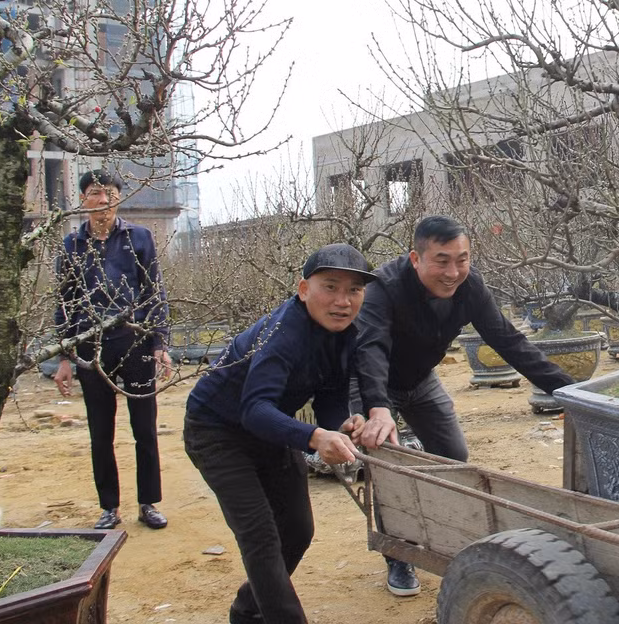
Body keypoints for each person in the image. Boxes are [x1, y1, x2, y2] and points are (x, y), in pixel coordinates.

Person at [350, 214, 575, 597]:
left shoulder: (470, 287)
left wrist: (571, 392)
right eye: (442, 261)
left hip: (421, 379)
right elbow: (370, 349)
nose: (453, 272)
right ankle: (398, 553)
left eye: (462, 259)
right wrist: (377, 408)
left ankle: (447, 535)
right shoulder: (383, 288)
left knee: (453, 457)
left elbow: (508, 341)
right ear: (416, 258)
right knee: (387, 467)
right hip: (372, 383)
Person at [185, 243, 396, 624]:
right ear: (303, 290)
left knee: (297, 530)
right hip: (217, 431)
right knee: (260, 536)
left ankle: (247, 611)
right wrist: (315, 438)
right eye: (330, 287)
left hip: (270, 428)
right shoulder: (284, 332)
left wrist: (340, 424)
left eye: (354, 290)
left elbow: (330, 393)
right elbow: (254, 408)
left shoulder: (345, 333)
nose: (343, 301)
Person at [53, 169, 171, 531]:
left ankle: (148, 502)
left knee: (144, 428)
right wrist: (65, 357)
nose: (103, 200)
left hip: (134, 341)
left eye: (110, 194)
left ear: (118, 199)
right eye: (95, 193)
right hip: (90, 347)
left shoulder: (139, 238)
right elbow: (65, 304)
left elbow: (154, 292)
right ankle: (109, 507)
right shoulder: (72, 245)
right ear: (83, 199)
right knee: (100, 432)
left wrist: (159, 342)